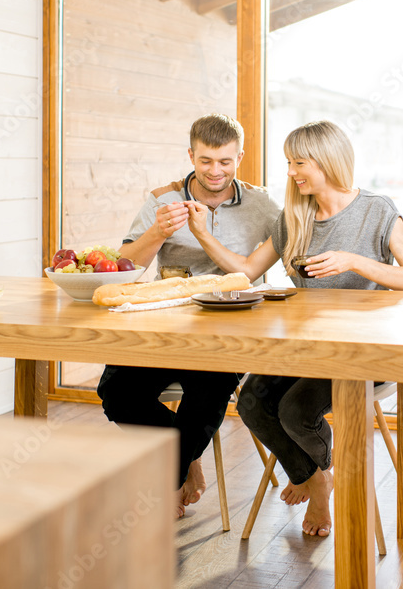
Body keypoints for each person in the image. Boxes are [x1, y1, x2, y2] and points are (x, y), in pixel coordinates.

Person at [185, 119, 403, 537]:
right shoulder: (293, 217)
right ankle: (317, 478)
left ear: (327, 161)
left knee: (295, 411)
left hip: (364, 352)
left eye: (300, 162)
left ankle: (316, 480)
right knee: (252, 405)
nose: (292, 172)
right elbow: (247, 271)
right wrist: (202, 236)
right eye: (289, 163)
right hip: (304, 349)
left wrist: (353, 261)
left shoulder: (376, 210)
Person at [96, 114, 281, 519]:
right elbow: (124, 266)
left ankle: (170, 477)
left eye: (225, 162)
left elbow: (256, 267)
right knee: (116, 393)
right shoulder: (162, 200)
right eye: (206, 161)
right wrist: (157, 233)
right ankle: (187, 463)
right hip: (165, 327)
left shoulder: (263, 204)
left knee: (206, 397)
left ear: (240, 157)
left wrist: (202, 234)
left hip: (230, 331)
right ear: (191, 155)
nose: (216, 171)